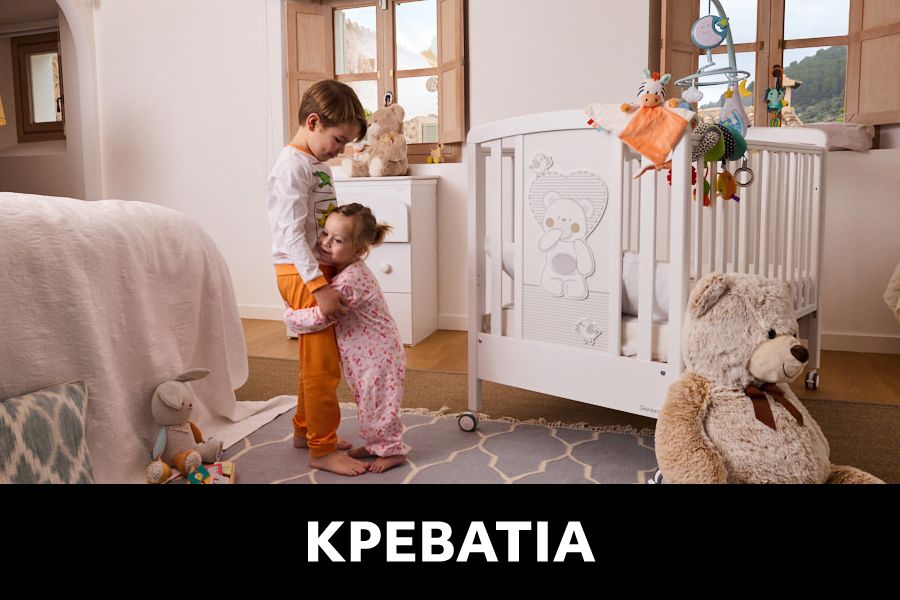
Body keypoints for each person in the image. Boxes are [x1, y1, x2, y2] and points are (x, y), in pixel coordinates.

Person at [266, 80, 368, 476]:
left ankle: (305, 430)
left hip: (314, 269)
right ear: (313, 122)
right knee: (323, 367)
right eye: (338, 140)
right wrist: (319, 286)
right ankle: (322, 449)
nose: (340, 151)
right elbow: (291, 234)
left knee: (316, 360)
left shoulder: (316, 165)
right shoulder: (292, 167)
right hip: (300, 272)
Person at [285, 204, 408, 473]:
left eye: (338, 240)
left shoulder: (350, 281)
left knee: (378, 406)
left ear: (358, 249)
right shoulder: (346, 271)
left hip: (378, 357)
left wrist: (291, 316)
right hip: (366, 356)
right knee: (369, 404)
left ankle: (392, 451)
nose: (326, 243)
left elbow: (323, 316)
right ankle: (376, 444)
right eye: (325, 234)